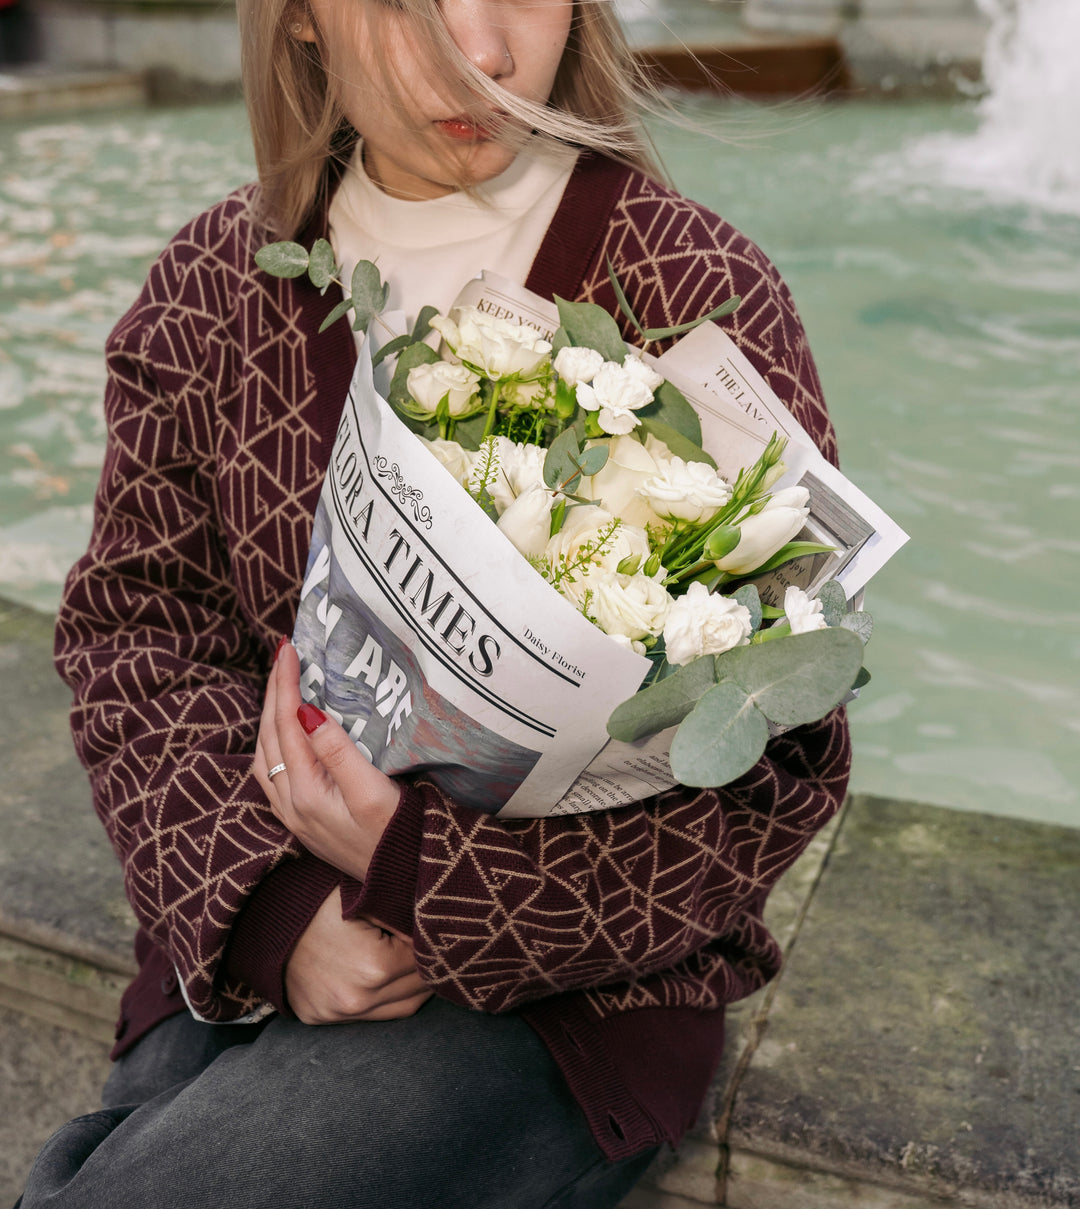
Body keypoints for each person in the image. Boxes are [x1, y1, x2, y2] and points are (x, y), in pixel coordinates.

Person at [18, 0, 851, 1204]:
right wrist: (283, 916)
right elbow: (136, 638)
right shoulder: (209, 290)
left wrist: (424, 867)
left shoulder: (695, 288)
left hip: (570, 1003)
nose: (485, 51)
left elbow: (777, 772)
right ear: (301, 20)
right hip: (256, 936)